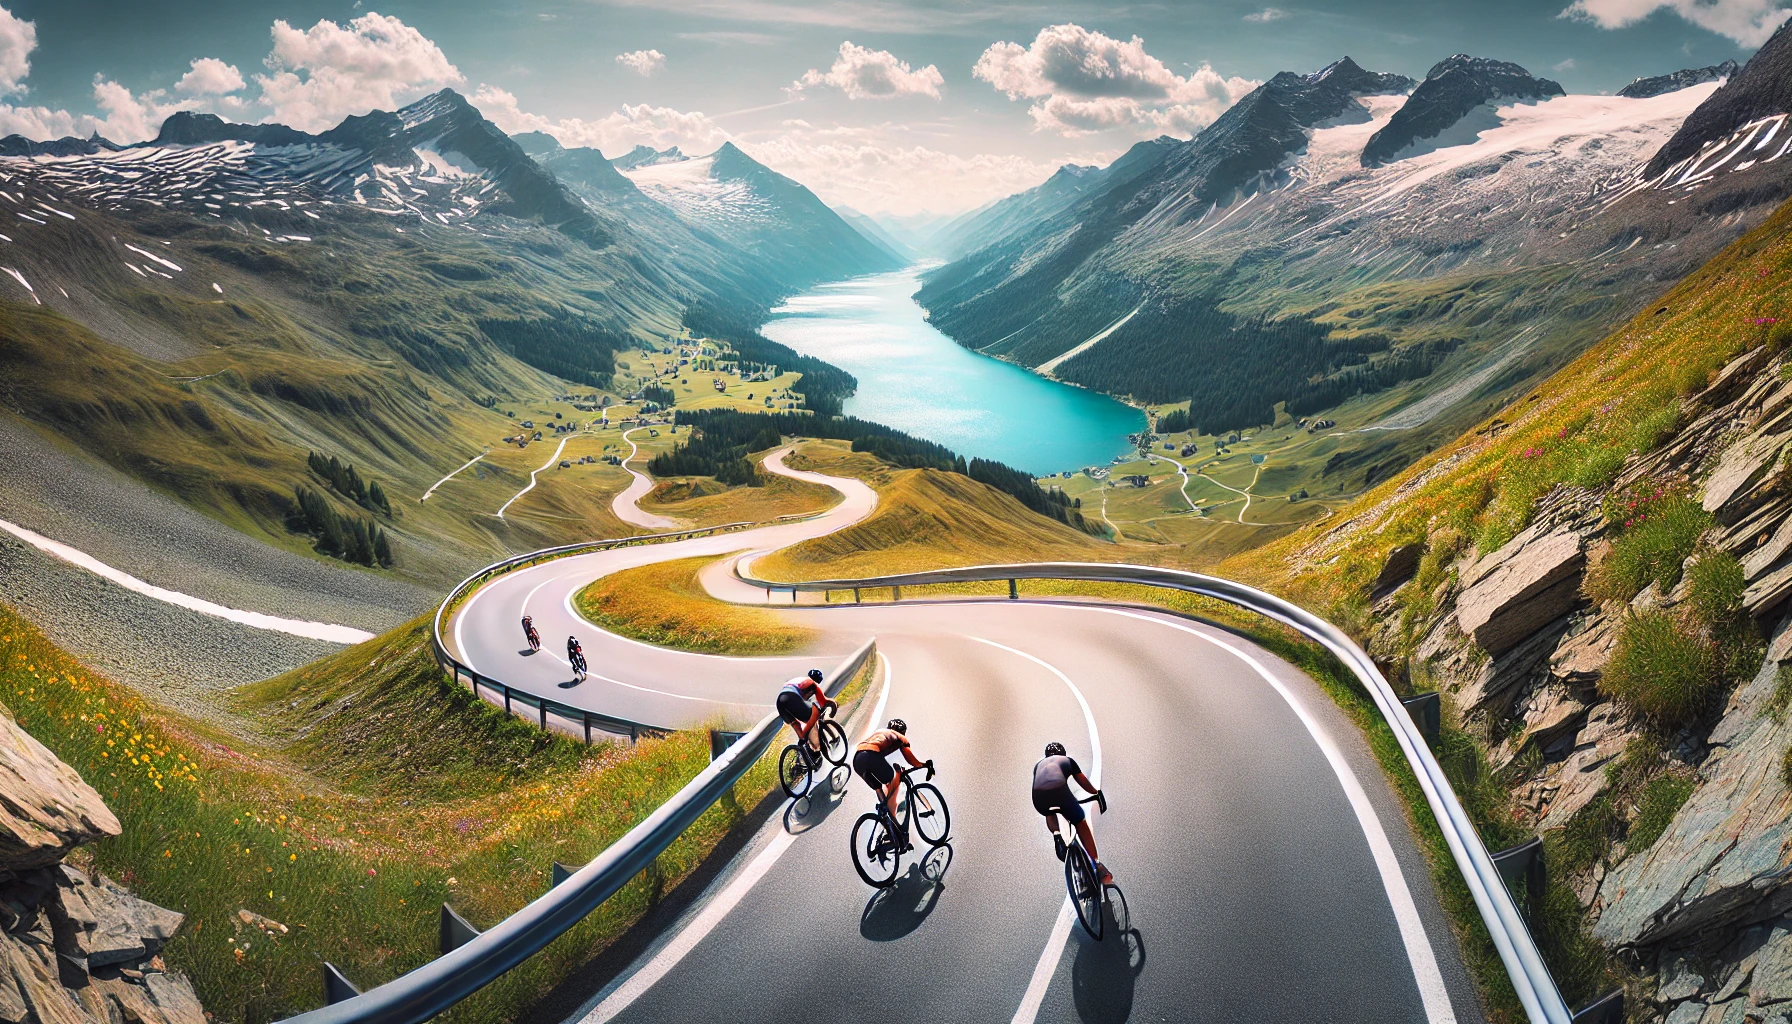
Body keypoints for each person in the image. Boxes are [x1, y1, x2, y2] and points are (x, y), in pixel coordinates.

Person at [1033, 742, 1110, 884]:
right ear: (1063, 753)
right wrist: (1096, 793)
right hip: (1060, 793)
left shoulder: (1038, 765)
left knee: (1049, 812)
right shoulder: (1067, 761)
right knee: (1080, 822)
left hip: (1038, 799)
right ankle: (1097, 865)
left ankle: (1057, 836)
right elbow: (1083, 782)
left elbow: (1043, 784)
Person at [854, 719, 930, 850]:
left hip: (857, 760)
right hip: (871, 755)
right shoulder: (900, 737)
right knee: (894, 776)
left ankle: (890, 829)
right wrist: (923, 765)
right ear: (902, 732)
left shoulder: (881, 733)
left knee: (879, 790)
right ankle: (888, 809)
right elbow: (912, 761)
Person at [776, 669, 836, 755]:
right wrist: (833, 705)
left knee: (796, 724)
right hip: (792, 697)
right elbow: (824, 702)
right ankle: (811, 744)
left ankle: (803, 751)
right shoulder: (813, 684)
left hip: (780, 702)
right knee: (815, 714)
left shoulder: (799, 680)